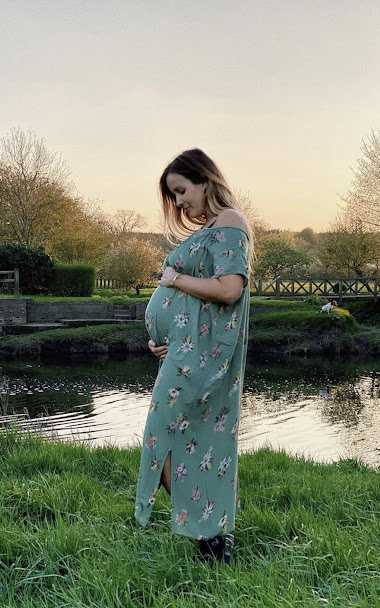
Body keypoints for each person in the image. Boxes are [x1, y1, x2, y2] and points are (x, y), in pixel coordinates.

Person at [134, 148, 253, 565]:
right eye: (174, 195)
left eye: (182, 190)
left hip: (203, 361)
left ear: (205, 180)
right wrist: (164, 337)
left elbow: (229, 290)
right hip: (186, 353)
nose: (179, 202)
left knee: (163, 436)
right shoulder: (213, 227)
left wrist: (174, 279)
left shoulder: (230, 221)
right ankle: (210, 536)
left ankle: (211, 539)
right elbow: (197, 306)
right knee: (183, 441)